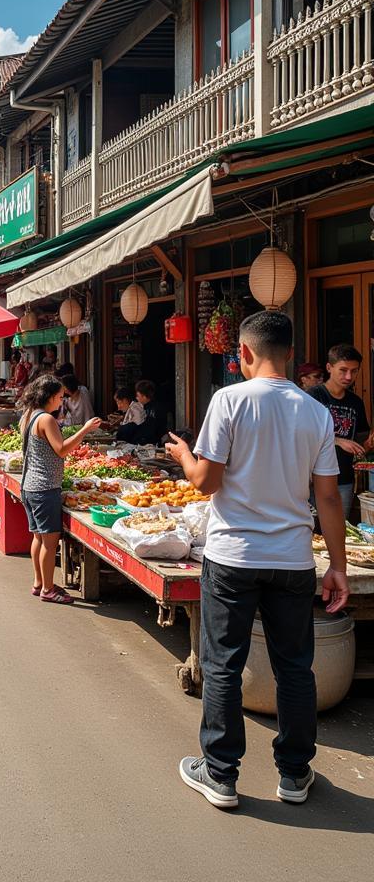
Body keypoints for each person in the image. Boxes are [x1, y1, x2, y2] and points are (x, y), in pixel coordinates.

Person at [164, 311, 348, 810]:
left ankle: (220, 773)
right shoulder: (315, 413)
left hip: (232, 557)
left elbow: (205, 482)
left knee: (224, 665)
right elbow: (328, 499)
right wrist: (338, 566)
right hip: (291, 558)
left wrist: (183, 455)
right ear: (288, 352)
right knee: (295, 668)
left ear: (243, 353)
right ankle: (294, 772)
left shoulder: (229, 400)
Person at [17, 376, 102, 604]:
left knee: (38, 537)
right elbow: (62, 449)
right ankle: (47, 588)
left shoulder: (29, 414)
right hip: (44, 488)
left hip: (30, 485)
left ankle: (39, 582)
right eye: (60, 397)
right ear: (50, 396)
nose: (62, 401)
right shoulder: (46, 419)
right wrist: (84, 429)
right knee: (50, 542)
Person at [307, 344, 369, 518]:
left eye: (354, 371)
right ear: (329, 367)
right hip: (313, 478)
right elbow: (301, 435)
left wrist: (368, 444)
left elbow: (360, 442)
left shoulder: (356, 402)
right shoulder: (313, 396)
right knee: (312, 533)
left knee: (343, 529)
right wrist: (338, 441)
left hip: (344, 478)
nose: (349, 376)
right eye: (343, 370)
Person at [115, 379, 165, 445]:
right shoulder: (146, 407)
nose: (136, 398)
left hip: (150, 443)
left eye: (138, 396)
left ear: (144, 396)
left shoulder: (154, 409)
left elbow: (147, 429)